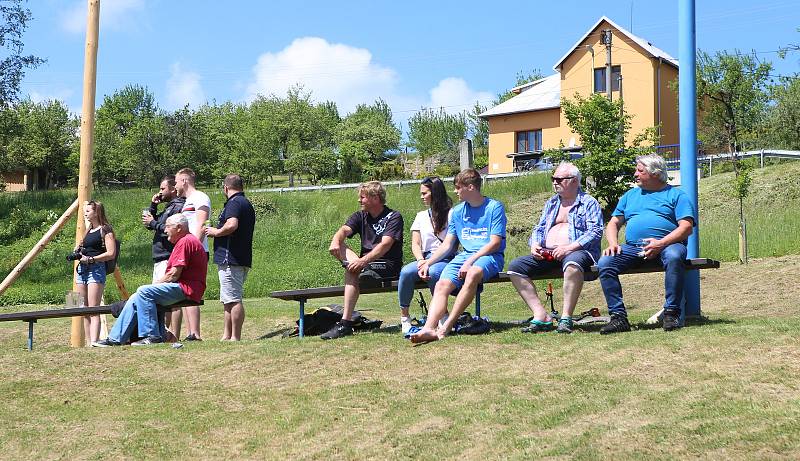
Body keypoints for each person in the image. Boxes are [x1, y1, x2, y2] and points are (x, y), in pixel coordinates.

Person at [597, 153, 697, 334]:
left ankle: (671, 313)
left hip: (668, 245)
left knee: (675, 256)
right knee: (605, 262)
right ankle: (618, 318)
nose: (635, 174)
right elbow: (613, 223)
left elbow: (686, 227)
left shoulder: (676, 195)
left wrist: (660, 243)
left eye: (640, 170)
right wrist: (612, 243)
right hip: (634, 247)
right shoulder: (630, 195)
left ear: (655, 174)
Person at [410, 169, 506, 344]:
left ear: (470, 187)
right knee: (441, 285)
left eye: (458, 187)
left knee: (473, 274)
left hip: (490, 256)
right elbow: (447, 244)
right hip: (466, 256)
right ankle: (429, 329)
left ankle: (446, 327)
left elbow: (495, 243)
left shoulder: (494, 207)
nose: (455, 191)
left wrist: (470, 261)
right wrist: (427, 263)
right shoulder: (457, 211)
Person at [506, 162, 603, 334]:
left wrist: (569, 248)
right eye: (553, 179)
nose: (555, 182)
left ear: (574, 181)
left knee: (573, 264)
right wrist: (534, 244)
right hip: (548, 253)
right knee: (515, 268)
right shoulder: (551, 203)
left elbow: (595, 231)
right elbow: (539, 228)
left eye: (559, 179)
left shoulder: (589, 202)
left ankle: (565, 317)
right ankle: (541, 315)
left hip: (578, 252)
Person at [93, 214, 208, 347]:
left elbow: (173, 275)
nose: (165, 230)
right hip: (185, 287)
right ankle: (115, 339)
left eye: (168, 227)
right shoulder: (186, 240)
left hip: (187, 289)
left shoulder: (185, 241)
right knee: (137, 296)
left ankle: (152, 336)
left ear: (179, 228)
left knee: (143, 291)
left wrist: (153, 286)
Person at [323, 181, 404, 340]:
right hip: (366, 264)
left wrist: (362, 262)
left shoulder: (394, 216)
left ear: (375, 198)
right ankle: (346, 322)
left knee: (353, 269)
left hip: (387, 264)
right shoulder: (360, 216)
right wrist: (335, 241)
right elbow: (343, 230)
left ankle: (345, 324)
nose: (359, 200)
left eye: (362, 197)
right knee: (349, 260)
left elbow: (385, 245)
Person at [396, 177, 453, 334]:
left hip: (445, 257)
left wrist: (429, 263)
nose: (421, 197)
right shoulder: (421, 216)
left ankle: (442, 314)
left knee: (435, 273)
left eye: (424, 193)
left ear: (434, 193)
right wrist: (421, 260)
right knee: (406, 272)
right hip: (424, 258)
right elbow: (415, 243)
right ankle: (405, 318)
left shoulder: (452, 214)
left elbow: (450, 245)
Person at [204, 174, 256, 341]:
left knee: (233, 299)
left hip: (230, 258)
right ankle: (227, 335)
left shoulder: (234, 203)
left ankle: (235, 337)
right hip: (240, 257)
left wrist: (216, 232)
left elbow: (232, 224)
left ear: (225, 188)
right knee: (227, 299)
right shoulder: (246, 203)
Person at [142, 174, 185, 340]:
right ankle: (164, 333)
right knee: (159, 299)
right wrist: (153, 206)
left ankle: (173, 335)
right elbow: (153, 224)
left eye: (162, 189)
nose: (160, 192)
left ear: (173, 189)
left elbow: (167, 228)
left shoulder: (177, 206)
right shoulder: (168, 207)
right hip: (160, 257)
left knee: (169, 300)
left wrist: (153, 223)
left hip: (168, 256)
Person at [74, 200, 117, 345]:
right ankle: (88, 342)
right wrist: (78, 251)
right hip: (82, 269)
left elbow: (111, 253)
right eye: (84, 211)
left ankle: (95, 341)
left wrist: (92, 259)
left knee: (94, 308)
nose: (85, 213)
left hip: (96, 268)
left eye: (88, 211)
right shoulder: (88, 230)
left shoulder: (105, 229)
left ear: (96, 212)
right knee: (83, 308)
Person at [175, 167, 211, 341]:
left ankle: (195, 333)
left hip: (197, 252)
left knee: (193, 292)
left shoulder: (200, 197)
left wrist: (192, 248)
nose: (175, 185)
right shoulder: (186, 201)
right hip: (187, 252)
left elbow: (202, 225)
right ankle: (190, 334)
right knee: (185, 292)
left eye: (176, 181)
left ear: (184, 180)